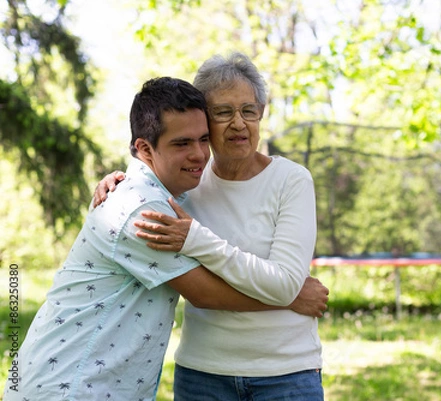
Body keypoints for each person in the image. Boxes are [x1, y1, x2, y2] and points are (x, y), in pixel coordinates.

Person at [4, 77, 327, 401]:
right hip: (72, 384)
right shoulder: (143, 211)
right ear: (144, 149)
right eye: (182, 143)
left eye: (202, 139)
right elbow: (205, 294)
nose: (199, 154)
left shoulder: (172, 191)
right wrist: (291, 296)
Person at [93, 52, 326, 400]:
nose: (239, 123)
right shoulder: (187, 181)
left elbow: (284, 283)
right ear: (203, 121)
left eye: (249, 111)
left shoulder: (291, 180)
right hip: (204, 374)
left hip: (286, 374)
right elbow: (144, 183)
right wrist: (115, 182)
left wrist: (196, 239)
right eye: (223, 112)